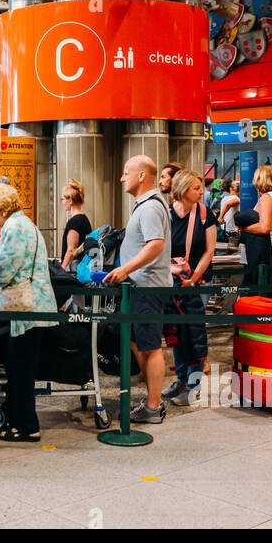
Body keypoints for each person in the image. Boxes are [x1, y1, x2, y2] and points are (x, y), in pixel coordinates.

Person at [0, 182, 57, 441]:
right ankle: (21, 422)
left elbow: (5, 268)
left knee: (20, 371)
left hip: (25, 307)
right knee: (22, 368)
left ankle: (27, 427)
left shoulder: (13, 228)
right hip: (35, 304)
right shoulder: (28, 224)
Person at [104, 155, 171, 424]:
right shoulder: (143, 206)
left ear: (142, 176)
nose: (122, 178)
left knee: (151, 345)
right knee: (137, 342)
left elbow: (156, 244)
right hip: (140, 286)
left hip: (148, 287)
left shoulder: (151, 208)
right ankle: (151, 399)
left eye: (126, 173)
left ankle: (154, 406)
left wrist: (125, 269)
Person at [167, 169, 217, 405]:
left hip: (197, 282)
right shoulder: (167, 215)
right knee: (176, 333)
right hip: (172, 282)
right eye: (196, 188)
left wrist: (194, 278)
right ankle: (180, 380)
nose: (201, 192)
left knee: (195, 333)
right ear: (183, 189)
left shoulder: (206, 214)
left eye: (201, 187)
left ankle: (194, 385)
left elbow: (209, 251)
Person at [58, 179, 92, 271]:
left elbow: (71, 251)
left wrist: (62, 271)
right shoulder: (84, 219)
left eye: (63, 199)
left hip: (73, 269)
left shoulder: (74, 222)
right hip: (82, 267)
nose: (62, 202)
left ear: (70, 200)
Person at [219, 180, 242, 244]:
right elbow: (228, 204)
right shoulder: (237, 199)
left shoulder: (225, 198)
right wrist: (221, 217)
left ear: (230, 189)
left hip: (224, 230)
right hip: (232, 232)